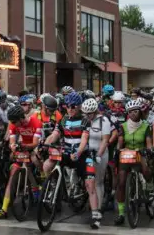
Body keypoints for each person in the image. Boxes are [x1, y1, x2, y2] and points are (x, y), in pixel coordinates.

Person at [42, 92, 101, 228]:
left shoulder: (85, 121)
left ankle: (95, 216)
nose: (70, 109)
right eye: (67, 106)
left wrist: (78, 152)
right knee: (46, 165)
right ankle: (53, 189)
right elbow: (55, 135)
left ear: (79, 106)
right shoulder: (63, 120)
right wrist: (44, 144)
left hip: (83, 155)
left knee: (90, 185)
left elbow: (84, 139)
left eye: (73, 106)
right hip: (67, 153)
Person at [0, 105, 42, 219]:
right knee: (13, 172)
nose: (13, 123)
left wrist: (24, 147)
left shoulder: (36, 122)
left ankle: (42, 175)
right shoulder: (13, 124)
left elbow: (35, 143)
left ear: (21, 118)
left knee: (34, 158)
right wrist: (13, 147)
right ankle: (4, 209)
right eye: (11, 121)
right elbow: (12, 141)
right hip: (23, 145)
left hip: (36, 144)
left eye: (15, 121)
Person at [114, 98, 153, 225]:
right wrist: (118, 150)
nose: (133, 114)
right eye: (130, 112)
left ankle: (150, 188)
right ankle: (121, 213)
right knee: (121, 182)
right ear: (127, 113)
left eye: (135, 111)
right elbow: (120, 143)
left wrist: (148, 150)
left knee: (146, 169)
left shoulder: (146, 126)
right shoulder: (123, 126)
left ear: (140, 112)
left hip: (140, 153)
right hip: (127, 155)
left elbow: (149, 143)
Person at [83, 98, 111, 219]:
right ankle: (93, 204)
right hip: (88, 154)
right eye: (85, 113)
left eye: (89, 113)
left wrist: (99, 155)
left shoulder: (104, 121)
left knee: (98, 182)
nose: (87, 116)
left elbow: (105, 140)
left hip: (101, 154)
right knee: (89, 182)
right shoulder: (86, 121)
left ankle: (99, 208)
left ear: (95, 112)